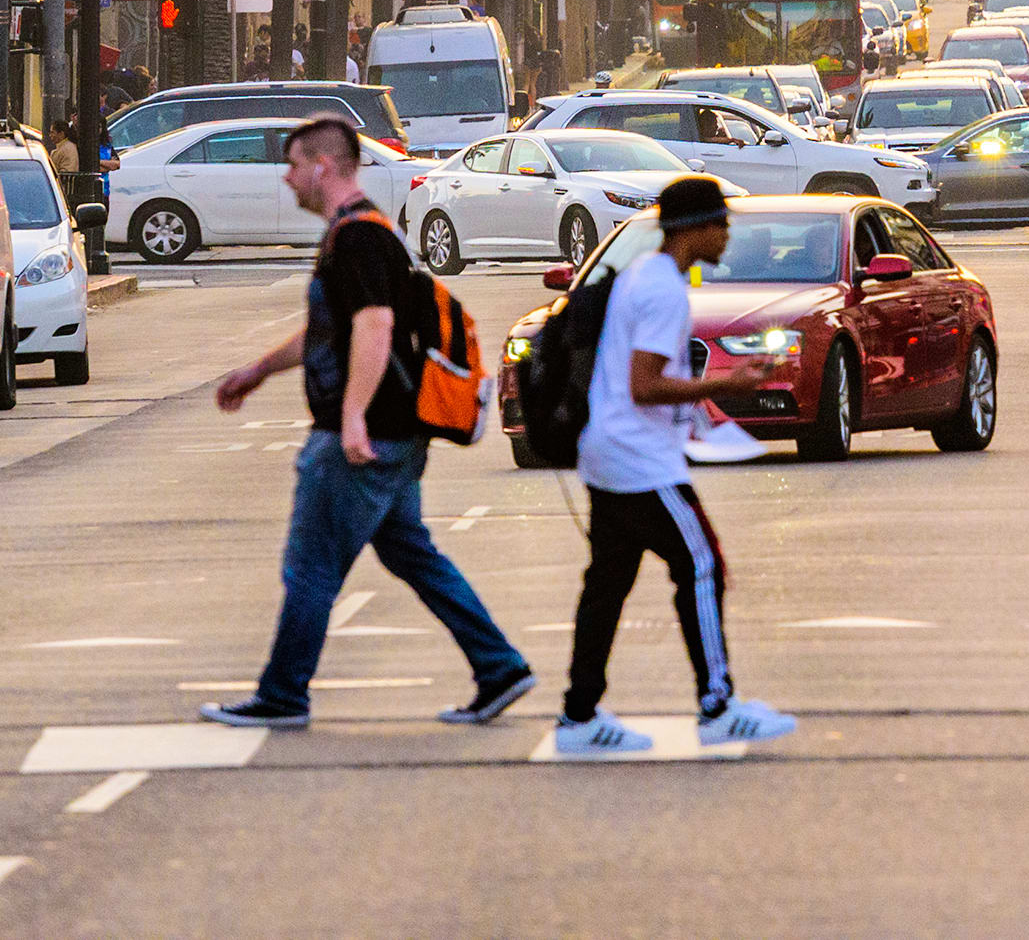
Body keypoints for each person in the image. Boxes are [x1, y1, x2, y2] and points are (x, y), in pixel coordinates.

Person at [199, 115, 534, 734]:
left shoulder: (356, 238)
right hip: (395, 432)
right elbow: (339, 330)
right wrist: (259, 370)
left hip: (366, 435)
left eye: (294, 164)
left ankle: (283, 694)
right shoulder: (363, 235)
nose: (287, 176)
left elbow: (375, 328)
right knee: (412, 554)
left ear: (323, 167)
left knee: (312, 564)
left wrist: (351, 417)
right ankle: (500, 665)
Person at [555, 172, 799, 756]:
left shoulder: (644, 273)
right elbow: (644, 385)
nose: (728, 236)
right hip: (641, 462)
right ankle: (718, 706)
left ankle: (579, 715)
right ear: (696, 229)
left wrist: (706, 399)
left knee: (608, 585)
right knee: (702, 566)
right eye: (723, 224)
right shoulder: (663, 288)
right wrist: (726, 381)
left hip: (607, 452)